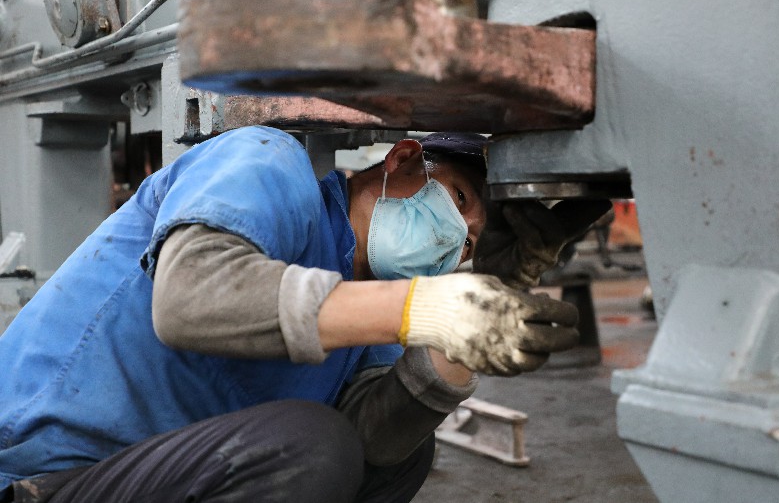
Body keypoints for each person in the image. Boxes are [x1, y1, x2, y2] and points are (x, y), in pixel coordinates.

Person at [0, 126, 609, 503]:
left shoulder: (368, 307)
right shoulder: (269, 162)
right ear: (399, 163)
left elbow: (371, 441)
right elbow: (189, 298)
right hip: (42, 476)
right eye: (458, 199)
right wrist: (422, 306)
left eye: (469, 243)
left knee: (397, 454)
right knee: (312, 444)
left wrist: (473, 324)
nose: (457, 239)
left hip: (150, 477)